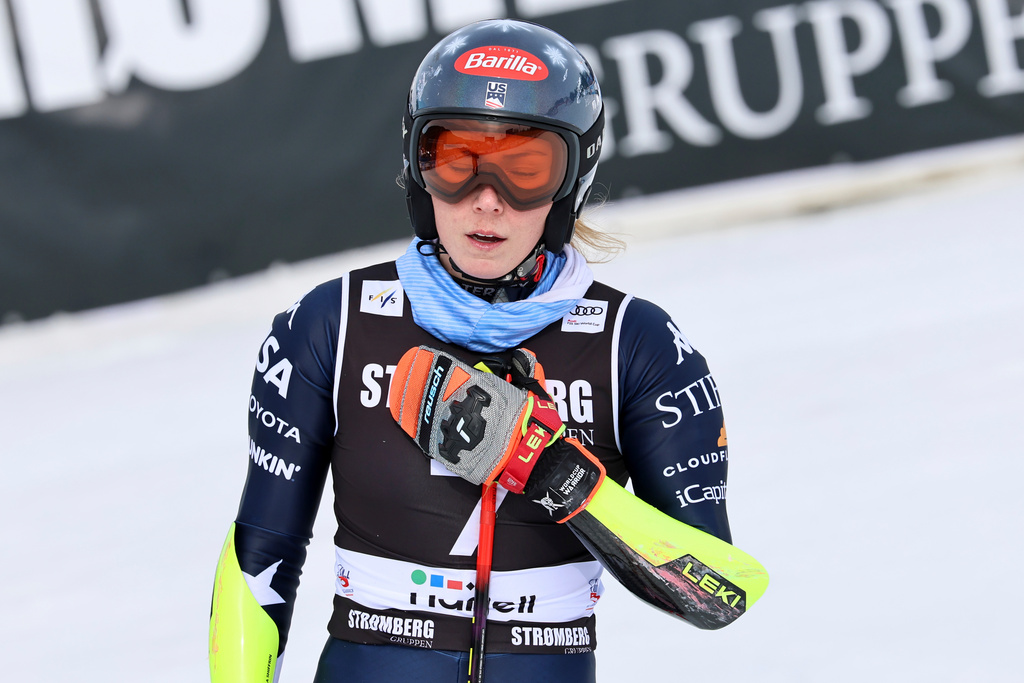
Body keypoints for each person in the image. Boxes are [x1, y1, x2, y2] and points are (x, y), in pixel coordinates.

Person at [209, 18, 748, 683]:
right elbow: (262, 550)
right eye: (456, 161)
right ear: (415, 164)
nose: (486, 201)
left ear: (571, 178)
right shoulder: (331, 324)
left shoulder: (634, 344)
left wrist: (557, 474)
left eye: (524, 168)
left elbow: (719, 590)